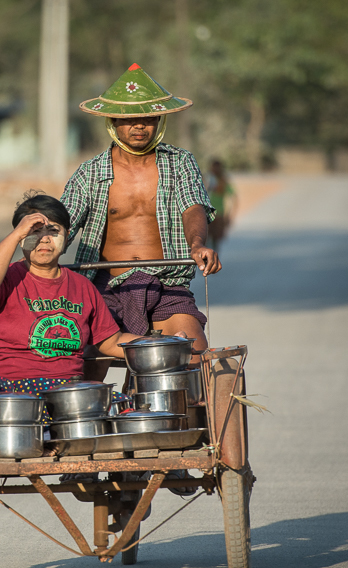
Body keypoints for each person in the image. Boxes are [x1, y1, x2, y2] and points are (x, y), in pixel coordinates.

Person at [61, 64, 220, 358]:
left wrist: (197, 245)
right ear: (112, 121)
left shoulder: (180, 163)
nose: (139, 125)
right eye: (129, 119)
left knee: (194, 355)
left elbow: (192, 206)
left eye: (147, 118)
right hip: (103, 290)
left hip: (167, 284)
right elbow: (63, 225)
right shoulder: (89, 172)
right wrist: (38, 253)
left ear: (158, 119)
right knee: (80, 363)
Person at [0, 191, 141, 401]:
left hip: (68, 395)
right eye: (34, 232)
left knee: (125, 411)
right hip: (9, 392)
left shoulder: (82, 286)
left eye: (53, 231)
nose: (45, 239)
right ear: (21, 239)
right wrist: (15, 235)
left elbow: (113, 342)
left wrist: (167, 344)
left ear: (67, 236)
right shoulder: (7, 279)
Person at [206, 159, 236, 255]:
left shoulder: (223, 181)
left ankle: (213, 257)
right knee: (204, 237)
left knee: (215, 239)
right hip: (206, 213)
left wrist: (229, 215)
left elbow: (233, 198)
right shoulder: (207, 179)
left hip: (218, 213)